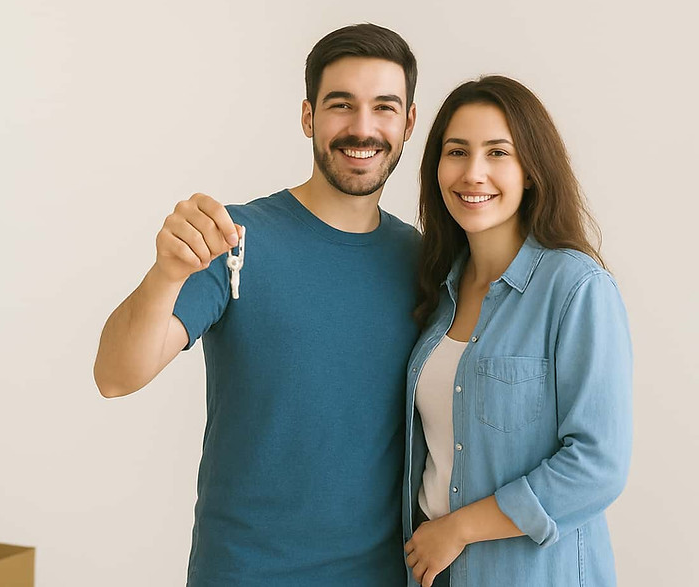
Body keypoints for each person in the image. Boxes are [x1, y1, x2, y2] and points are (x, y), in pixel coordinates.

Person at [94, 24, 421, 585]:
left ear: (408, 122)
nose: (363, 128)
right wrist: (167, 272)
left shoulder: (424, 263)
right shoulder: (234, 239)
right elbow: (116, 375)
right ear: (308, 117)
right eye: (341, 105)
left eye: (384, 107)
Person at [401, 76, 633, 587]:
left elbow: (598, 464)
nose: (473, 173)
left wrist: (459, 529)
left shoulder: (576, 288)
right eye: (456, 151)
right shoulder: (438, 293)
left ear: (531, 170)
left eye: (498, 152)